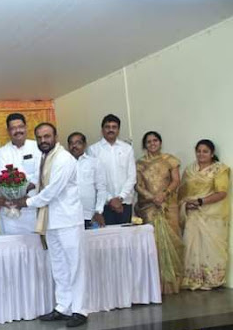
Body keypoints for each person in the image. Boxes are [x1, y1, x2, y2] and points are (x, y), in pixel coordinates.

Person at [17, 123, 87, 328]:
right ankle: (63, 307)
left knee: (75, 266)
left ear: (56, 136)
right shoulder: (45, 158)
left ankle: (80, 310)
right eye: (39, 137)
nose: (43, 141)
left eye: (47, 136)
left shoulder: (63, 158)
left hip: (68, 220)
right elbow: (39, 183)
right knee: (58, 265)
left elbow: (53, 190)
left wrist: (27, 202)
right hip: (51, 220)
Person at [135, 131, 184, 294]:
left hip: (168, 205)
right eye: (148, 141)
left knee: (173, 241)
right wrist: (152, 198)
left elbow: (176, 180)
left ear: (160, 142)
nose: (152, 144)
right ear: (145, 145)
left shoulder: (170, 160)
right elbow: (137, 185)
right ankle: (155, 284)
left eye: (155, 140)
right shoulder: (139, 163)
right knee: (153, 243)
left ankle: (172, 283)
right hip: (148, 207)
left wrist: (163, 194)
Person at [178, 139, 230, 291]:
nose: (201, 154)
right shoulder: (189, 170)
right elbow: (181, 194)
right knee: (190, 246)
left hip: (212, 216)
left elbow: (222, 193)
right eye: (198, 151)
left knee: (212, 248)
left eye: (205, 151)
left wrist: (200, 201)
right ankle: (193, 278)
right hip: (192, 215)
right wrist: (185, 204)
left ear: (212, 154)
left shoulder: (220, 169)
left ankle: (212, 279)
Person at [0, 113, 42, 234]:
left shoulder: (37, 147)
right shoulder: (2, 152)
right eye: (13, 128)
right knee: (11, 244)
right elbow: (1, 178)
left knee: (36, 243)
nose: (18, 131)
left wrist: (24, 191)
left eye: (20, 127)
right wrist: (16, 195)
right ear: (8, 131)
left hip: (33, 207)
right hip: (11, 209)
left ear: (26, 127)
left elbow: (41, 172)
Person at [87, 114, 136, 225]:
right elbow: (94, 178)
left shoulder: (127, 149)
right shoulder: (93, 150)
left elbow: (132, 176)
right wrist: (110, 199)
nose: (111, 130)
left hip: (124, 202)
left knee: (125, 233)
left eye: (114, 127)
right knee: (107, 234)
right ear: (102, 130)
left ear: (118, 130)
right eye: (107, 127)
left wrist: (120, 198)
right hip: (104, 204)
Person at [67, 132, 107, 229]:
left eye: (78, 143)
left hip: (90, 215)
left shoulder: (94, 162)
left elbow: (101, 189)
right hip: (68, 215)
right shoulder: (63, 164)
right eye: (71, 143)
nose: (74, 146)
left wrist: (99, 211)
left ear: (85, 145)